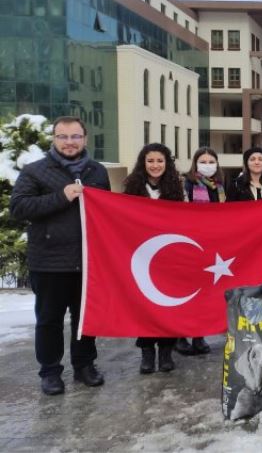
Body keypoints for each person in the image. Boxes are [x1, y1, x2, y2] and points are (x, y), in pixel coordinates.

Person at [10, 116, 110, 395]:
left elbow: (108, 214)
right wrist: (61, 196)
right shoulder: (35, 171)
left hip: (88, 262)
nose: (69, 142)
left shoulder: (97, 171)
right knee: (49, 319)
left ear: (85, 139)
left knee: (85, 318)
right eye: (63, 137)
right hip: (49, 262)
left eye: (75, 136)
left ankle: (84, 365)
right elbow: (19, 207)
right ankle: (50, 371)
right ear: (54, 139)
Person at [123, 143, 185, 374]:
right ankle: (147, 353)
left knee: (167, 306)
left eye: (160, 161)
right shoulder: (132, 187)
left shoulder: (176, 189)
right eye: (150, 161)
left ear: (167, 163)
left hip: (168, 257)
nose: (155, 165)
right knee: (145, 304)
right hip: (140, 255)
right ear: (143, 163)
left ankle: (166, 353)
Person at [175, 147, 226, 356]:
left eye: (211, 161)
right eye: (203, 161)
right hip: (190, 245)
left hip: (212, 245)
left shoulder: (221, 187)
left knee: (204, 294)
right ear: (195, 163)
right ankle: (180, 335)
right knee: (187, 292)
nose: (207, 165)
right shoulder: (186, 183)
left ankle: (199, 335)